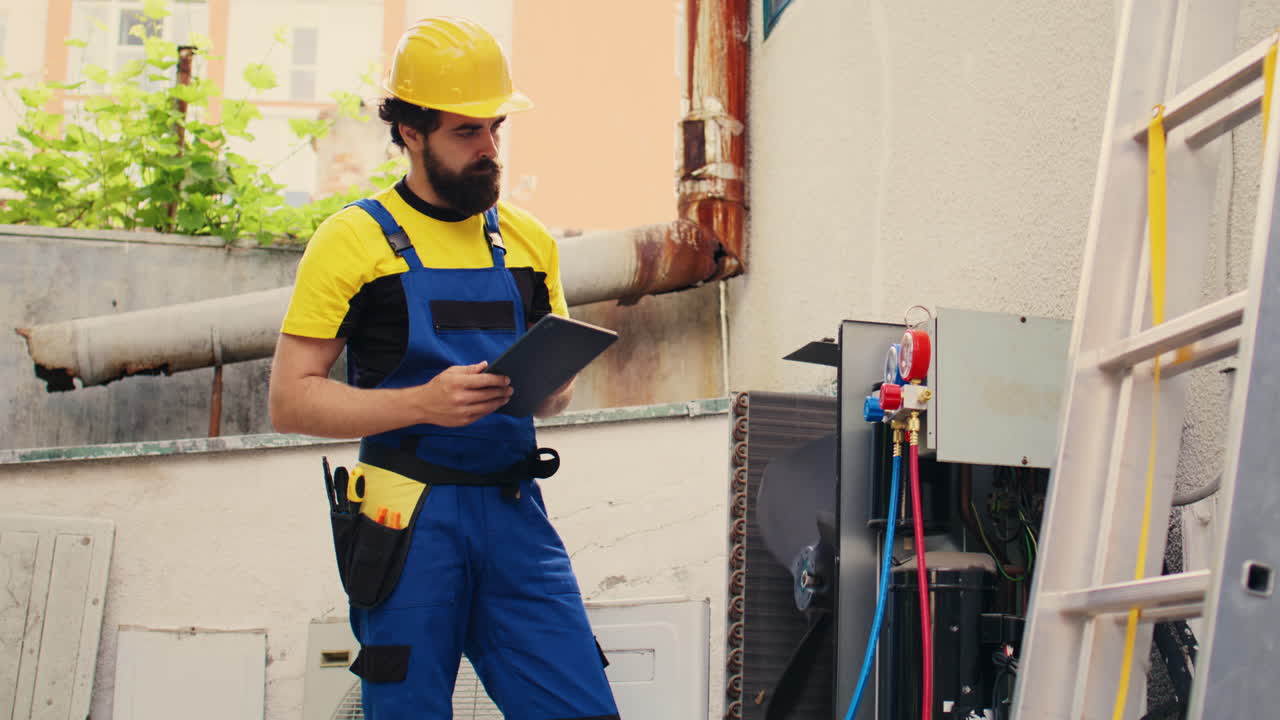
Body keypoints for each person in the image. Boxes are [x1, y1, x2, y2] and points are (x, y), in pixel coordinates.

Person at [268, 16, 619, 720]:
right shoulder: (351, 241)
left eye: (494, 128)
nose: (489, 149)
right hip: (403, 520)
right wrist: (422, 404)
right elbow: (290, 401)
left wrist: (548, 389)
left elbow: (555, 395)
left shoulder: (528, 241)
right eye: (467, 132)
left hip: (515, 515)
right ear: (410, 131)